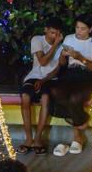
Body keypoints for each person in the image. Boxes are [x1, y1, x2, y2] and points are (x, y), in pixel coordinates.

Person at [53, 12, 92, 155]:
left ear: (90, 29)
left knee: (75, 98)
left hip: (89, 77)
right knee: (56, 93)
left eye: (83, 28)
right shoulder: (69, 39)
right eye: (77, 28)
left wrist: (80, 57)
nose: (79, 31)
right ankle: (82, 120)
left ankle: (77, 137)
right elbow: (62, 63)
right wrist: (63, 56)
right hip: (71, 74)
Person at [18, 21, 63, 154]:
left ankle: (38, 139)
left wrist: (44, 80)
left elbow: (57, 69)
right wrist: (54, 45)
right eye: (52, 32)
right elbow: (42, 61)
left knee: (45, 98)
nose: (54, 36)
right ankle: (28, 139)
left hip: (50, 78)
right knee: (25, 96)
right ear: (46, 30)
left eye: (57, 33)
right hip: (34, 75)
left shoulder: (61, 47)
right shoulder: (37, 40)